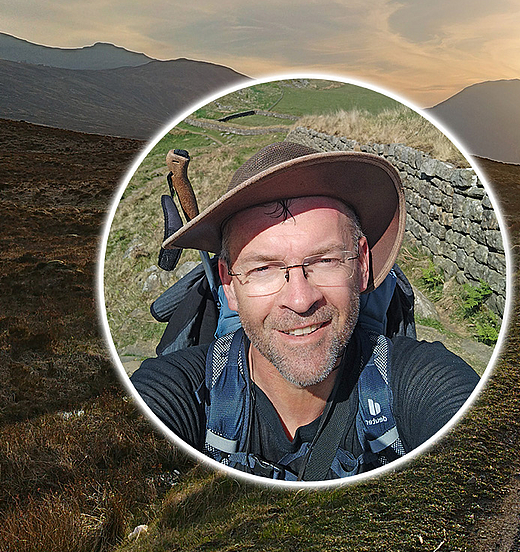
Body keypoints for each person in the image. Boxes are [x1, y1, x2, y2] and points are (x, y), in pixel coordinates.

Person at [130, 141, 480, 481]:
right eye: (263, 269)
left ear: (360, 265)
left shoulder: (420, 382)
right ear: (229, 284)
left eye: (325, 260)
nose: (300, 300)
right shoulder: (177, 391)